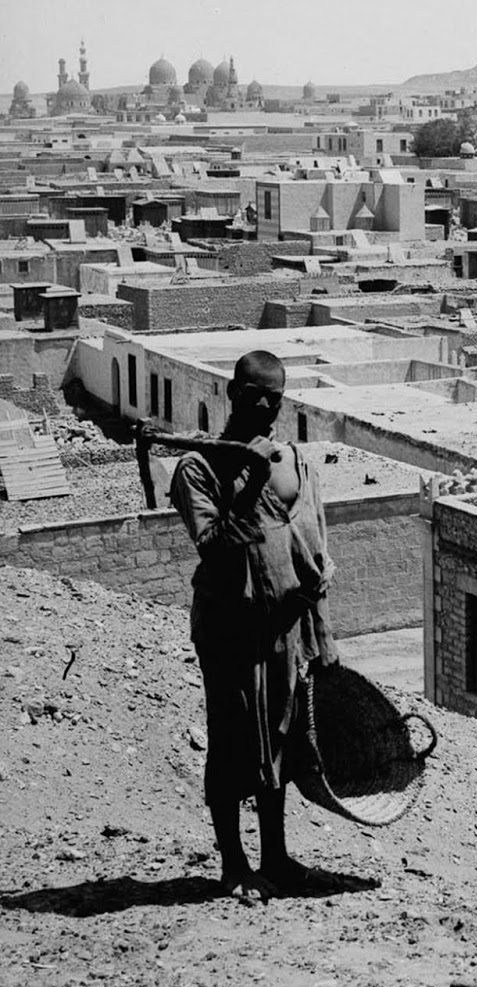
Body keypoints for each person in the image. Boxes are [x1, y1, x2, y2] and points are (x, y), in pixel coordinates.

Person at [170, 350, 336, 901]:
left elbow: (313, 551)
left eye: (275, 398)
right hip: (230, 627)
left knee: (280, 741)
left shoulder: (295, 459)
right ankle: (234, 864)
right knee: (231, 742)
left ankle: (276, 856)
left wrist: (323, 630)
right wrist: (250, 478)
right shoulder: (199, 467)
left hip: (285, 628)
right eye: (253, 396)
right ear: (231, 394)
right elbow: (215, 548)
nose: (265, 407)